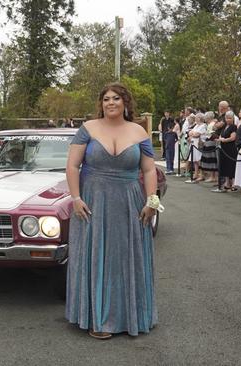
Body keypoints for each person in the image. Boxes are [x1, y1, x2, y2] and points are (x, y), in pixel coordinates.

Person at [65, 82, 158, 339]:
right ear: (101, 103)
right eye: (106, 99)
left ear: (125, 102)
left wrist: (151, 201)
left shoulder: (139, 132)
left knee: (126, 257)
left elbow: (149, 170)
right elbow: (72, 166)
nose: (111, 103)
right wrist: (75, 198)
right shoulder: (88, 129)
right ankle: (99, 319)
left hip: (130, 203)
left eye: (116, 98)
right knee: (96, 257)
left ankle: (131, 316)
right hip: (93, 202)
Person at [217, 111, 238, 190]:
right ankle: (227, 182)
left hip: (231, 148)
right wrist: (220, 139)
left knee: (231, 165)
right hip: (223, 148)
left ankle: (233, 183)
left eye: (230, 118)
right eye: (226, 118)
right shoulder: (224, 127)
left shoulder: (233, 127)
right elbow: (220, 135)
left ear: (233, 118)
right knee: (225, 165)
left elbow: (233, 138)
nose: (228, 120)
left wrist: (223, 140)